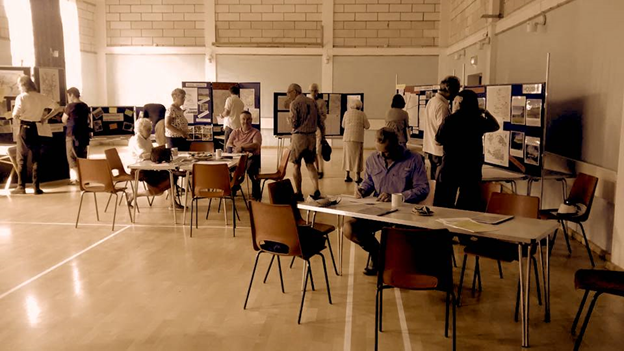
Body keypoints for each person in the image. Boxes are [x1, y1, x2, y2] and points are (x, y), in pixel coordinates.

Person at [344, 128, 429, 275]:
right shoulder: (373, 159)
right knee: (349, 228)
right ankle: (378, 254)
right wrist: (362, 189)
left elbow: (423, 188)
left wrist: (398, 196)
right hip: (378, 212)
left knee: (396, 236)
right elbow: (369, 182)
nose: (382, 156)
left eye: (386, 152)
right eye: (379, 152)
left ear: (397, 145)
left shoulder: (414, 160)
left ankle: (384, 258)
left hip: (405, 213)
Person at [434, 89, 500, 211]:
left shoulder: (450, 120)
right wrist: (485, 112)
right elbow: (495, 126)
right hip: (471, 167)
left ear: (460, 103)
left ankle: (442, 228)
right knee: (468, 205)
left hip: (451, 165)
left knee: (444, 203)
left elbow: (438, 140)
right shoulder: (478, 120)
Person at [10, 75, 63, 195]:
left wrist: (18, 118)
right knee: (36, 159)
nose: (19, 88)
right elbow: (58, 108)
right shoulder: (41, 97)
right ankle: (36, 187)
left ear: (24, 85)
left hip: (24, 128)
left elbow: (15, 114)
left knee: (21, 158)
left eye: (19, 85)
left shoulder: (22, 97)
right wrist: (45, 118)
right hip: (37, 129)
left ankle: (21, 187)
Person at [128, 118, 181, 208]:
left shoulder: (146, 138)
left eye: (150, 129)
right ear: (140, 130)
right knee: (157, 192)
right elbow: (144, 155)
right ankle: (133, 195)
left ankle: (173, 202)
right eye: (147, 130)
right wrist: (160, 154)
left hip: (149, 167)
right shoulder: (136, 140)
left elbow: (152, 153)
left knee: (171, 175)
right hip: (140, 170)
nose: (150, 132)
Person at [286, 83, 323, 201]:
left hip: (299, 138)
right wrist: (323, 136)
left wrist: (288, 120)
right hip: (311, 137)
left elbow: (294, 123)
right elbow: (320, 122)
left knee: (296, 165)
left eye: (289, 92)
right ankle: (316, 189)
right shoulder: (312, 102)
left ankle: (299, 192)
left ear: (295, 91)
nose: (288, 95)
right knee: (310, 164)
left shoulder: (294, 103)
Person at [423, 76, 461, 180]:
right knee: (441, 182)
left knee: (435, 181)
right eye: (456, 91)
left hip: (431, 148)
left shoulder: (432, 101)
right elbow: (445, 130)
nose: (456, 94)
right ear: (449, 89)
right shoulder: (442, 106)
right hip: (440, 151)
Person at [226, 111, 262, 200]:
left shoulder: (256, 132)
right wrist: (237, 149)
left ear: (251, 120)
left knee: (251, 169)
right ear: (240, 120)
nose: (245, 121)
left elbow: (256, 145)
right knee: (226, 168)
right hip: (236, 157)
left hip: (251, 157)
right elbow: (228, 144)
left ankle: (256, 193)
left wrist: (241, 147)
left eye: (248, 119)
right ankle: (234, 186)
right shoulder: (235, 132)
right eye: (243, 119)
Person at [62, 87, 91, 185]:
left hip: (72, 135)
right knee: (82, 156)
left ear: (71, 95)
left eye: (68, 96)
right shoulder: (85, 106)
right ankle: (85, 178)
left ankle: (76, 179)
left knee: (71, 157)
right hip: (83, 135)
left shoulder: (70, 106)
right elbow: (89, 120)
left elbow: (64, 119)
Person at [342, 99, 369, 183]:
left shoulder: (346, 113)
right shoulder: (362, 114)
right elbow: (367, 126)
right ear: (360, 106)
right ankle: (357, 177)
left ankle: (347, 176)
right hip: (358, 138)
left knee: (347, 157)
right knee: (358, 157)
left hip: (347, 138)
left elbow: (343, 125)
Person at [310, 83, 327, 179]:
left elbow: (324, 116)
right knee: (313, 152)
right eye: (312, 90)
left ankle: (321, 170)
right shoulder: (308, 102)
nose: (313, 92)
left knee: (319, 151)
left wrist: (317, 116)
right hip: (311, 130)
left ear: (318, 91)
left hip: (319, 129)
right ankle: (317, 170)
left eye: (315, 90)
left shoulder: (321, 102)